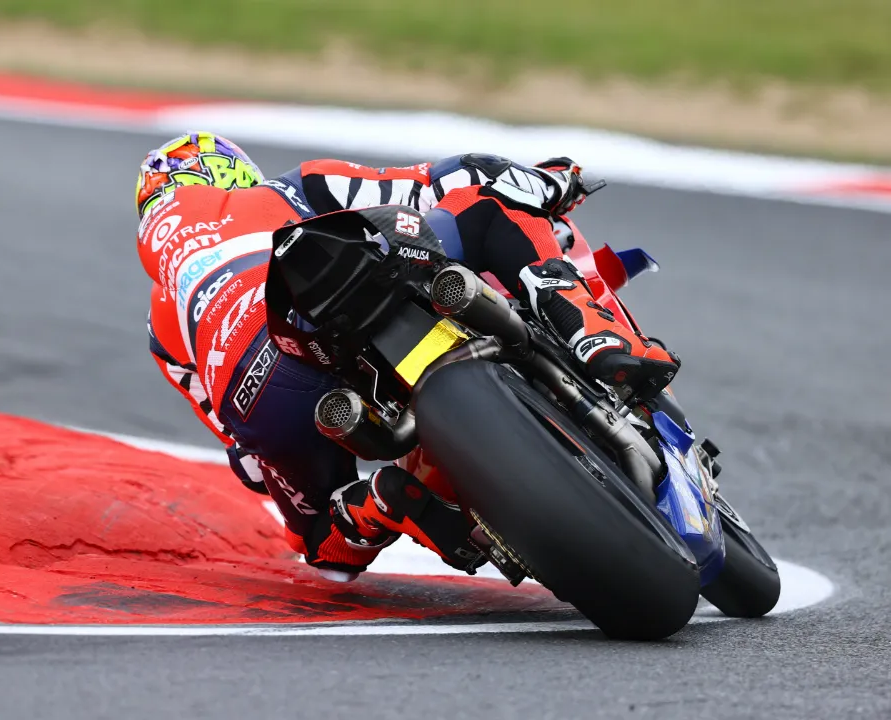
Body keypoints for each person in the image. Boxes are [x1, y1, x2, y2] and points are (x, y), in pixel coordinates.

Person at [136, 132, 679, 581]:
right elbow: (435, 182)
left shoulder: (164, 329)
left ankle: (386, 504)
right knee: (486, 204)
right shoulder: (293, 187)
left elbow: (247, 462)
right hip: (343, 281)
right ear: (229, 173)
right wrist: (554, 180)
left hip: (258, 391)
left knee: (322, 545)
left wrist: (269, 451)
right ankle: (588, 330)